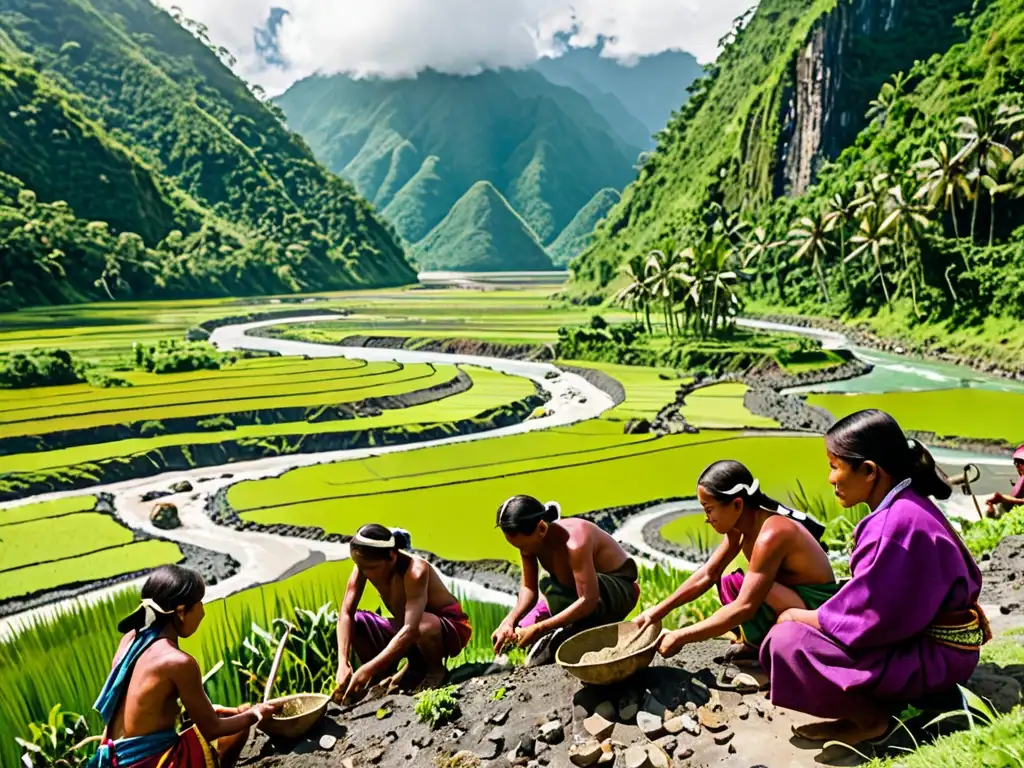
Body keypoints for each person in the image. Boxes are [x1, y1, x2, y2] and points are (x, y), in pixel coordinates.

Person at [762, 409, 989, 745]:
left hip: (937, 658)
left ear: (869, 471)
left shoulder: (892, 526)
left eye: (835, 466)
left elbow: (866, 619)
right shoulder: (907, 504)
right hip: (948, 646)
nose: (830, 478)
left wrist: (796, 615)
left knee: (787, 643)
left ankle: (872, 721)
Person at [635, 460, 839, 661]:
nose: (707, 518)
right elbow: (708, 574)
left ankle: (777, 648)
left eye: (708, 509)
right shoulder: (740, 528)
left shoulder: (773, 533)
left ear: (737, 504)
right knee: (730, 583)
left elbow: (745, 606)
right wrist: (655, 613)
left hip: (816, 611)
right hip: (790, 599)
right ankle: (757, 645)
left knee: (742, 586)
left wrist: (680, 636)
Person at [88, 565, 275, 768]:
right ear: (181, 612)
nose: (203, 612)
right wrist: (255, 713)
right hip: (147, 762)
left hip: (113, 758)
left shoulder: (131, 640)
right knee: (237, 728)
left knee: (225, 715)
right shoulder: (178, 662)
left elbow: (144, 707)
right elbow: (213, 728)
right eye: (199, 603)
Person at [491, 495, 640, 664]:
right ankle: (569, 631)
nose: (523, 552)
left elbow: (588, 599)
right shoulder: (529, 541)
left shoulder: (576, 542)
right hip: (576, 592)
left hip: (616, 591)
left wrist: (540, 628)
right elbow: (529, 589)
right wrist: (509, 621)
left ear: (541, 528)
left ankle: (581, 630)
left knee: (550, 590)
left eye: (524, 547)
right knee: (546, 589)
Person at [335, 524, 472, 699]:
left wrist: (369, 667)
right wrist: (343, 662)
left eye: (370, 567)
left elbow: (411, 629)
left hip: (444, 629)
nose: (364, 572)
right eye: (360, 566)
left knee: (423, 625)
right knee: (359, 621)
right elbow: (346, 613)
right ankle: (382, 677)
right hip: (407, 628)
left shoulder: (415, 571)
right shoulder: (364, 566)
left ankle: (435, 670)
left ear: (391, 557)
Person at [984, 444, 1024, 517]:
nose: (1018, 466)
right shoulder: (1022, 479)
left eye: (1021, 462)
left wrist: (1003, 498)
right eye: (1016, 462)